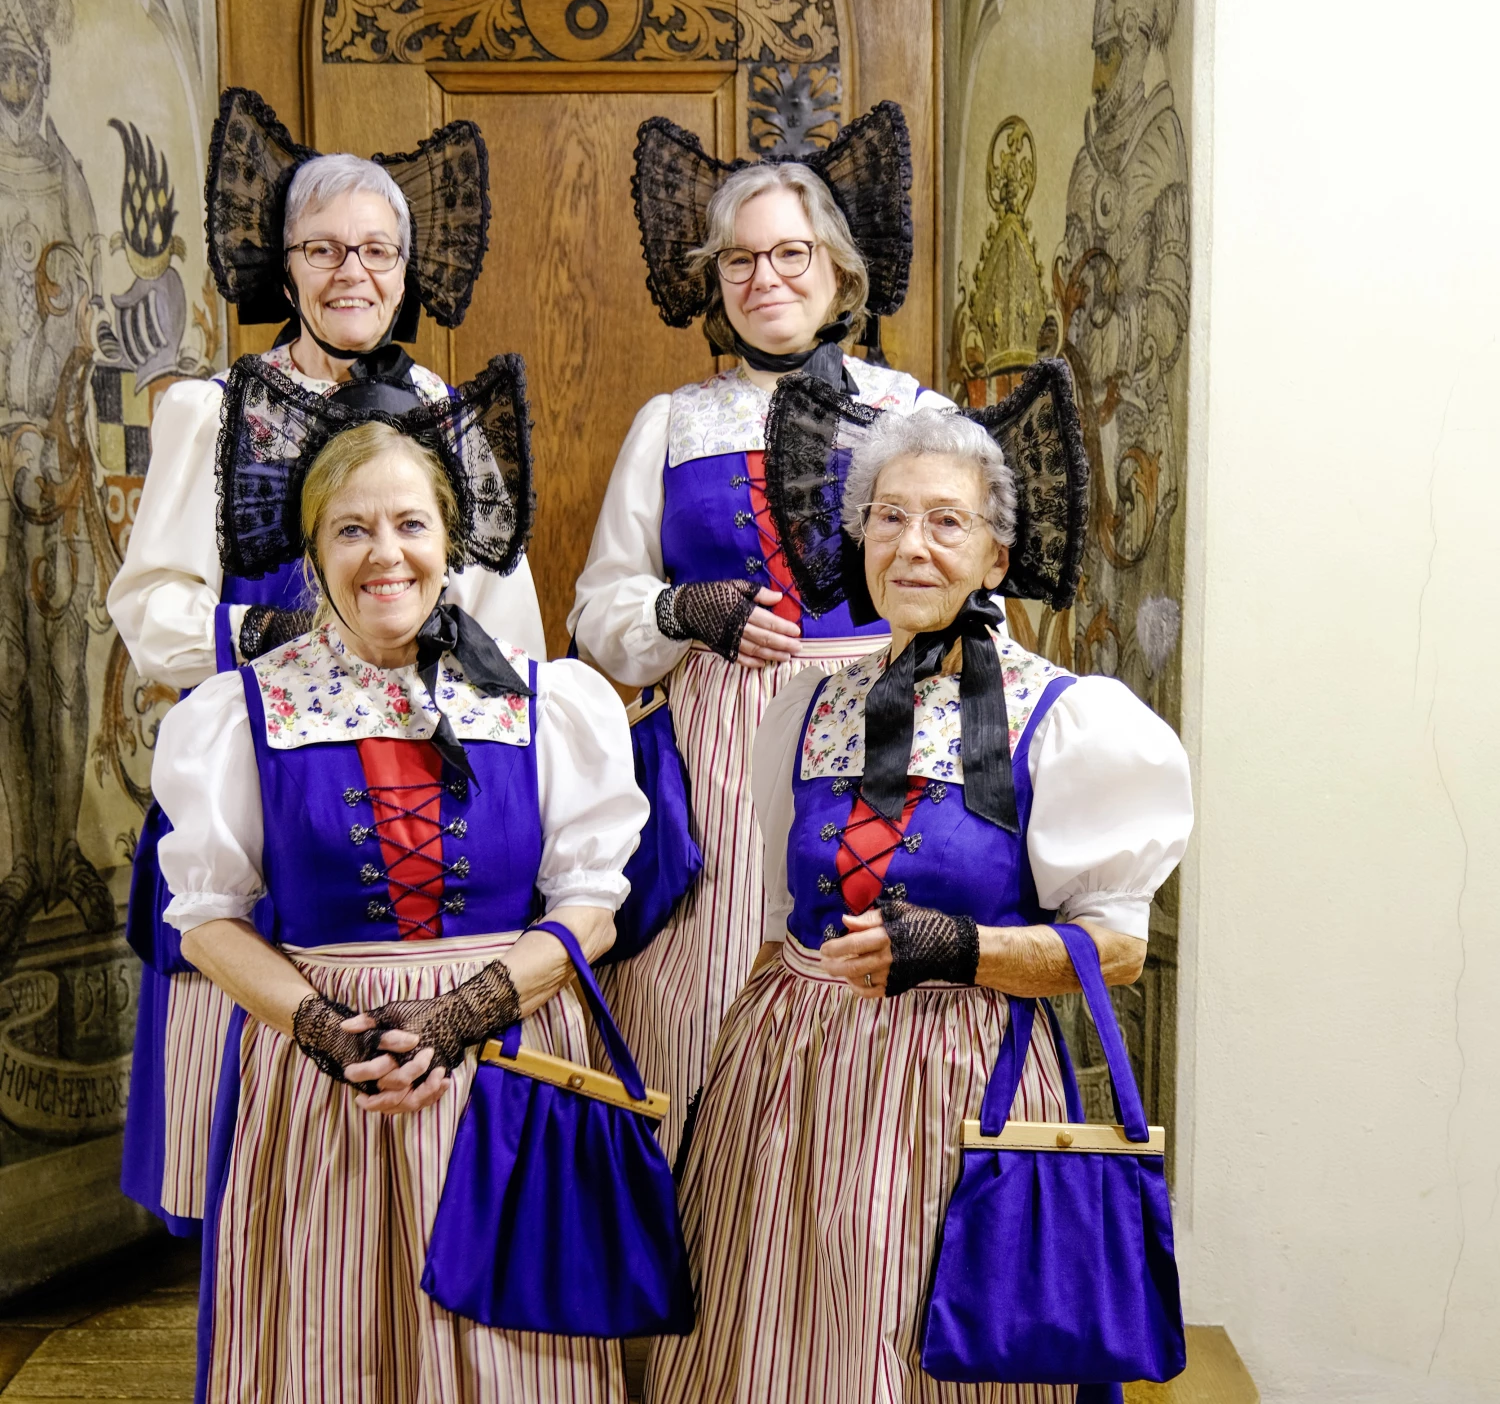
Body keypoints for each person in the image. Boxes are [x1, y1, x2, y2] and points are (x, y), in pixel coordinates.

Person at [647, 386, 1193, 1403]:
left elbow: (1115, 949)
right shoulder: (808, 703)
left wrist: (960, 949)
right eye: (889, 517)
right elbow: (779, 923)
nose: (912, 545)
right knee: (772, 1346)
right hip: (788, 1088)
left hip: (958, 1078)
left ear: (996, 556)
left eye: (947, 521)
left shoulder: (1067, 719)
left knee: (921, 1341)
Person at [155, 358, 645, 1401]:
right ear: (312, 552)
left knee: (516, 1361)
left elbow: (592, 906)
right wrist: (331, 1031)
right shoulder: (240, 714)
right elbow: (206, 921)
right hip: (325, 1075)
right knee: (331, 1347)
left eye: (411, 524)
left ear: (450, 540)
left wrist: (464, 1014)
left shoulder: (546, 703)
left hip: (509, 1061)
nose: (387, 554)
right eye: (353, 529)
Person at [112, 87, 544, 1234]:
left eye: (376, 250)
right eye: (324, 249)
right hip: (264, 779)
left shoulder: (447, 411)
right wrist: (290, 645)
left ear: (407, 267)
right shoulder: (212, 411)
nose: (352, 271)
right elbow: (152, 610)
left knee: (428, 1139)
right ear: (285, 263)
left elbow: (506, 626)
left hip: (424, 776)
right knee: (258, 1142)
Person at [569, 102, 950, 1157]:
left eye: (790, 253)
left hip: (879, 727)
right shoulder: (672, 422)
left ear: (838, 271)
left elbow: (967, 583)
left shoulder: (914, 415)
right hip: (717, 747)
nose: (764, 277)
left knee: (854, 962)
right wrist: (681, 611)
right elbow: (598, 612)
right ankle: (700, 1226)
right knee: (705, 978)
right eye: (740, 260)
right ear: (716, 280)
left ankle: (844, 1220)